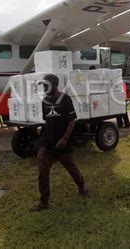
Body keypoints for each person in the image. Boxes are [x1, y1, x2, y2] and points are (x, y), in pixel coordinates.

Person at [34, 74, 88, 211]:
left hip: (63, 143)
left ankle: (82, 186)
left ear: (54, 84)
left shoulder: (65, 99)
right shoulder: (44, 101)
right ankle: (44, 201)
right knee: (42, 168)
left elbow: (72, 120)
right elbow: (47, 121)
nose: (44, 88)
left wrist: (65, 138)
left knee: (71, 168)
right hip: (49, 142)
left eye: (46, 85)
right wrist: (43, 140)